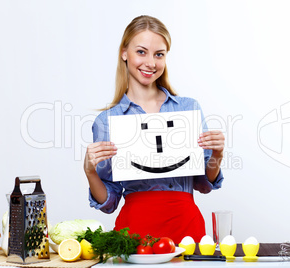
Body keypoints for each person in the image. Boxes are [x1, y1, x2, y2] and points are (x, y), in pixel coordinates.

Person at [84, 15, 225, 244]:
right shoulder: (108, 120)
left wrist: (217, 155)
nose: (150, 63)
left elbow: (203, 184)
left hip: (186, 229)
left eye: (159, 54)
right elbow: (109, 203)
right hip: (134, 234)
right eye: (141, 52)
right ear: (124, 52)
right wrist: (90, 172)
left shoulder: (188, 109)